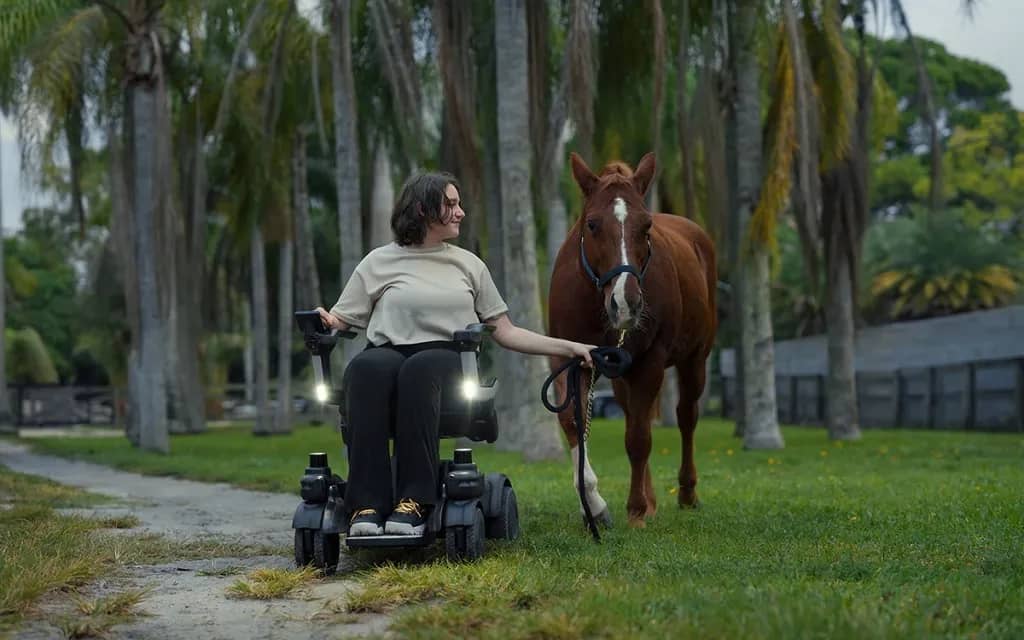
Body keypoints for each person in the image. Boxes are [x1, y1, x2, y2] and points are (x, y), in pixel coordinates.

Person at [315, 172, 595, 536]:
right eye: (451, 204)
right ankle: (366, 505)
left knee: (420, 370)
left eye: (458, 203)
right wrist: (328, 321)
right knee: (365, 369)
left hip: (448, 356)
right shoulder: (377, 262)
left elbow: (506, 330)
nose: (461, 212)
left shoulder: (468, 265)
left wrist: (571, 347)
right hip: (388, 351)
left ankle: (414, 503)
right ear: (422, 209)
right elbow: (342, 317)